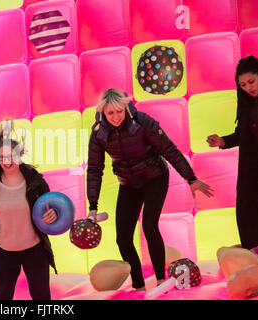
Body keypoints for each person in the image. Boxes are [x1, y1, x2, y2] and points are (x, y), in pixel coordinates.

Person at [86, 88, 213, 291]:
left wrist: (191, 179)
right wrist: (93, 205)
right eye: (111, 113)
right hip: (129, 183)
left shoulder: (142, 121)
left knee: (149, 225)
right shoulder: (98, 132)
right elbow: (94, 169)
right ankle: (138, 284)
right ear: (103, 113)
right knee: (123, 238)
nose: (116, 117)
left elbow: (168, 149)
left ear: (126, 108)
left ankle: (161, 279)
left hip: (155, 177)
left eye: (119, 111)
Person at [0, 121, 57, 300]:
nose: (7, 161)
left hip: (35, 250)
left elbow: (52, 205)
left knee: (42, 299)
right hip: (3, 252)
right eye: (2, 157)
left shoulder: (35, 180)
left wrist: (53, 214)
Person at [207, 56, 258, 250]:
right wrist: (223, 141)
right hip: (250, 171)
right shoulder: (247, 105)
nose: (247, 88)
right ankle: (254, 266)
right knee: (246, 215)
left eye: (251, 82)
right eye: (243, 84)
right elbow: (242, 135)